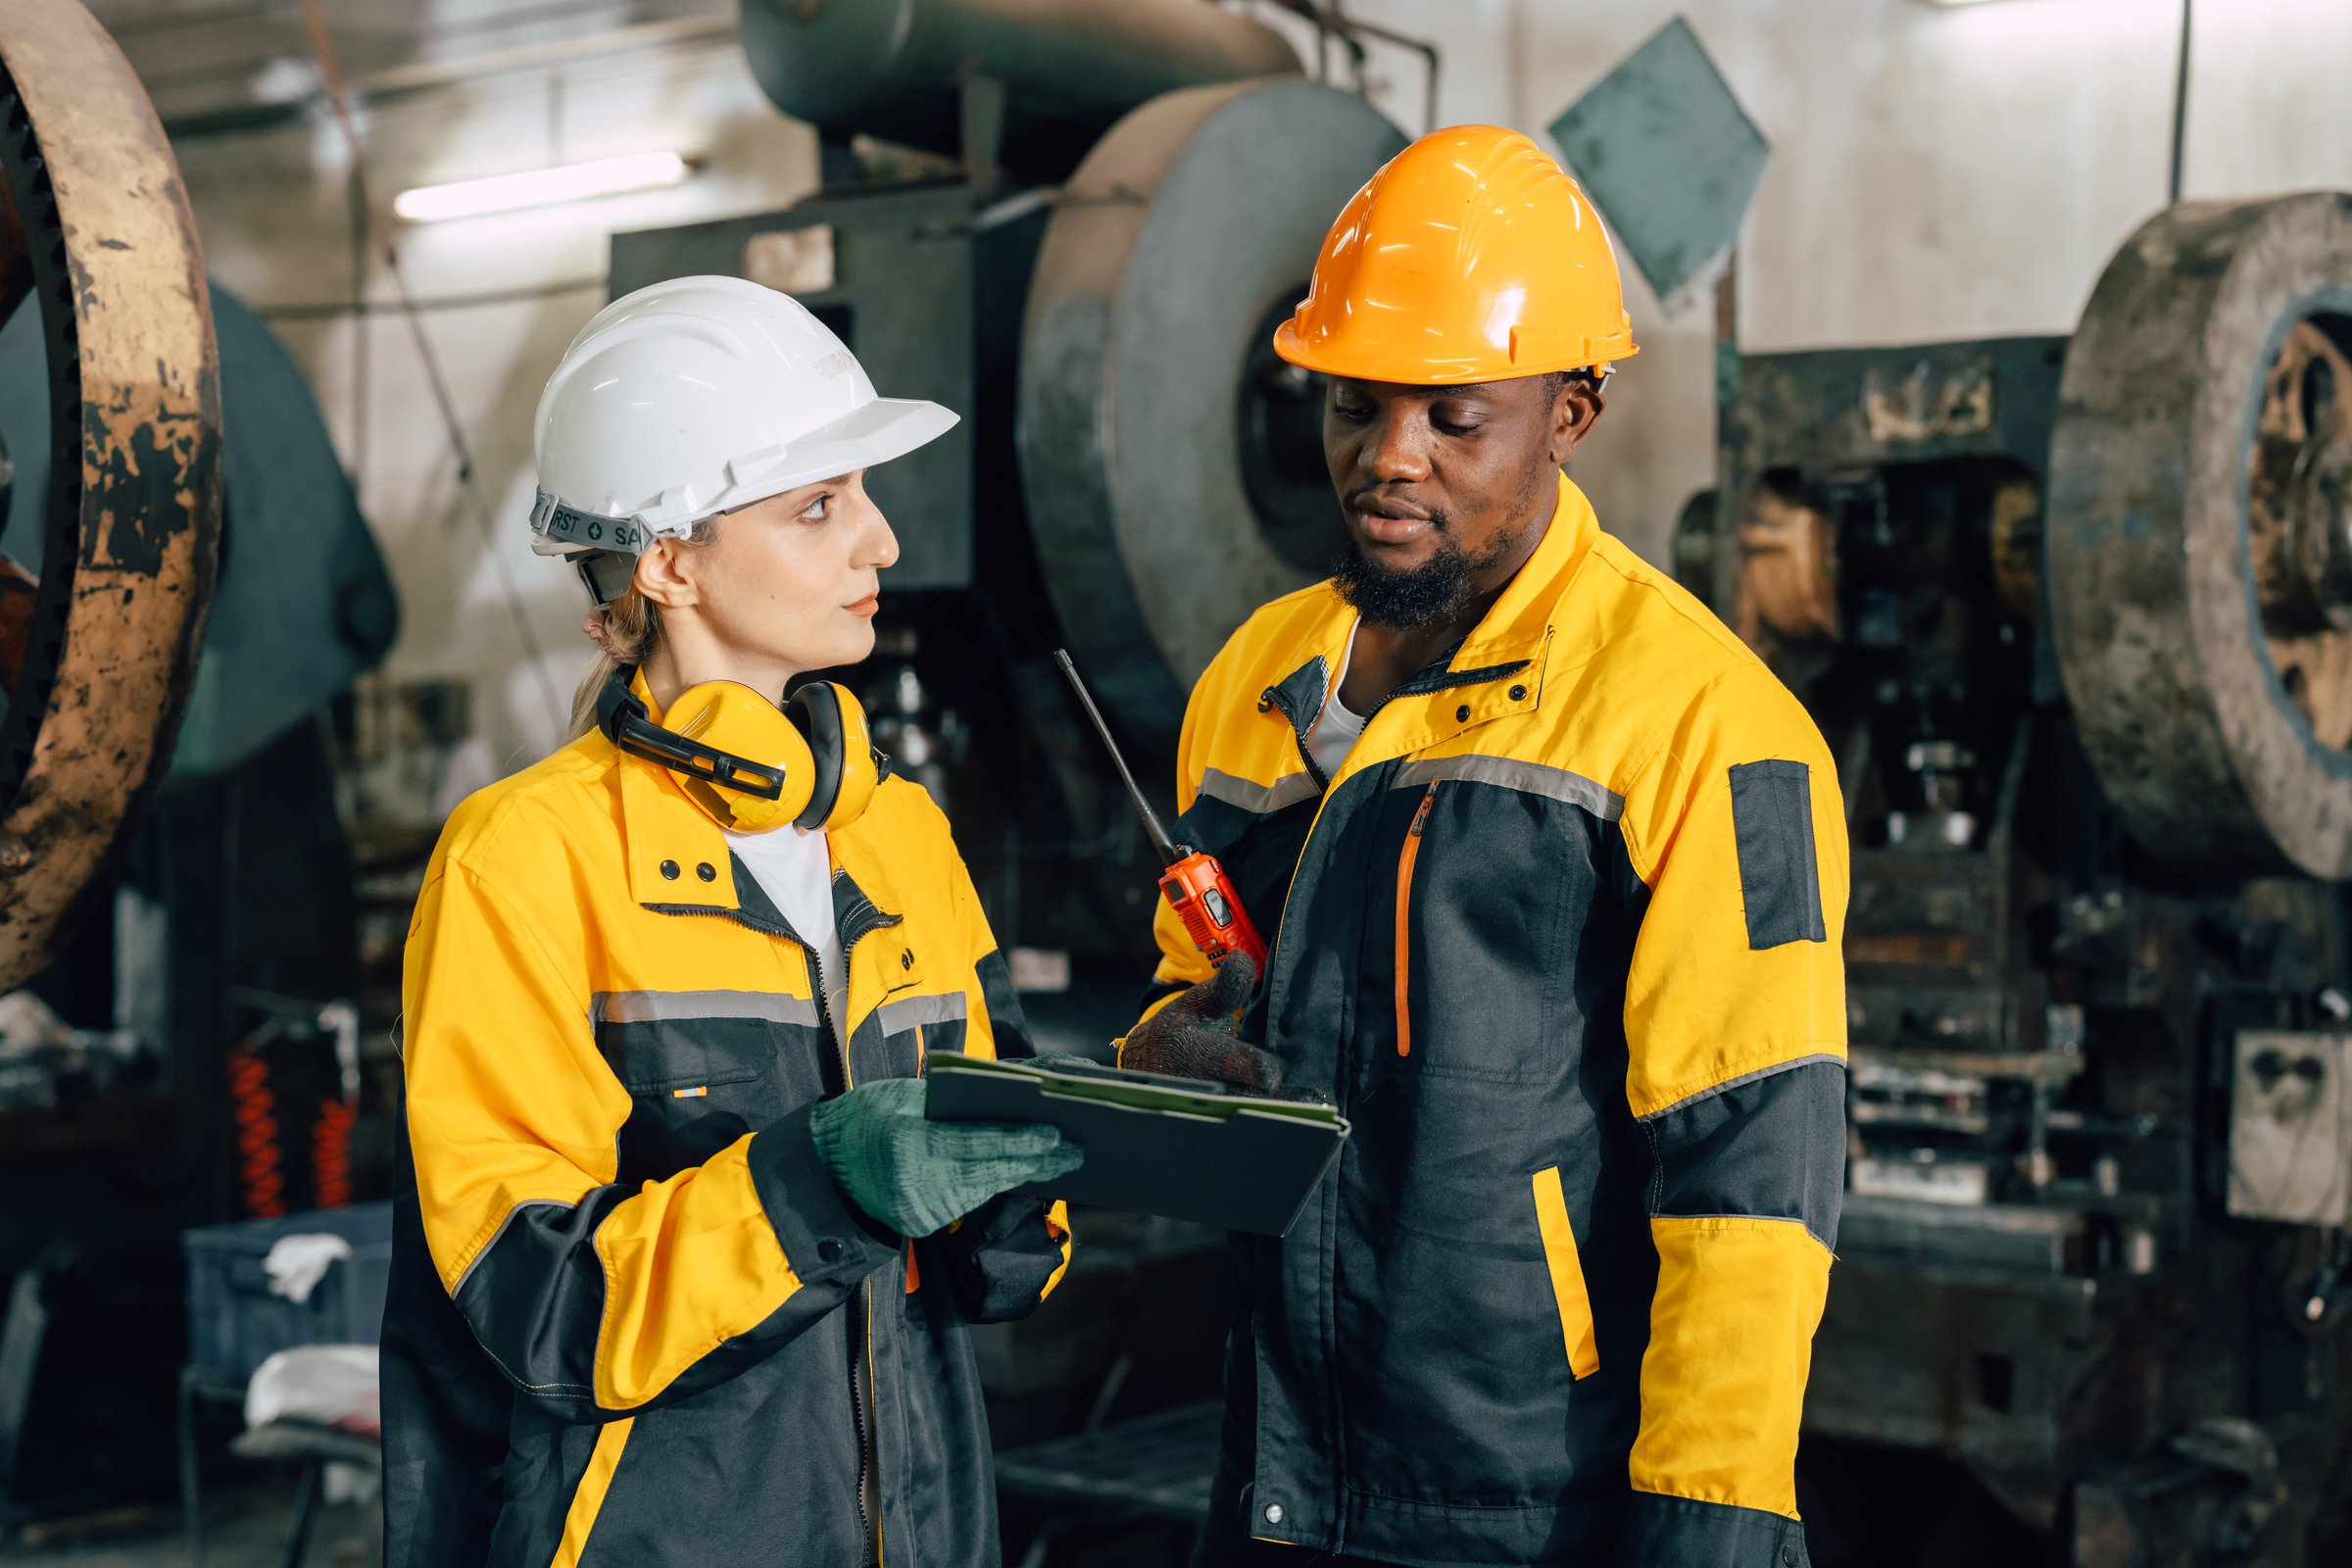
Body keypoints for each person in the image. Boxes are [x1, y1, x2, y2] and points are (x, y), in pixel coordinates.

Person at [1118, 127, 1849, 1566]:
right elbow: (1188, 980)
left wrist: (1711, 1524)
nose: (1390, 462)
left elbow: (1752, 1174)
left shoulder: (1702, 722)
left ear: (1572, 411)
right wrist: (1168, 1055)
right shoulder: (1256, 679)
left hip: (1532, 1507)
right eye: (1353, 406)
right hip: (1276, 1477)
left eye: (1456, 418)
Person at [381, 275, 1080, 1568]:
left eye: (861, 495)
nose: (881, 543)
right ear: (667, 557)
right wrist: (823, 1182)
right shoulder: (525, 861)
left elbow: (998, 1265)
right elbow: (538, 1310)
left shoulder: (902, 836)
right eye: (820, 505)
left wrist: (1050, 1174)